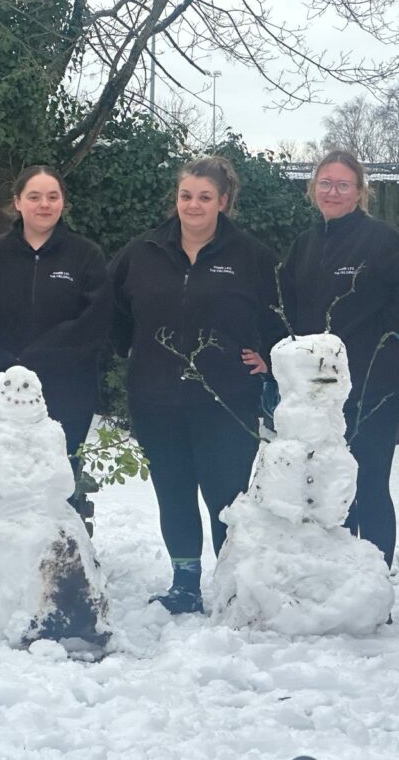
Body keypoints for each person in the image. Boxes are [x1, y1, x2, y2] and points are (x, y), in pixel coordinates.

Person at [110, 156, 279, 614]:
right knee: (174, 491)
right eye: (186, 195)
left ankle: (230, 584)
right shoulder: (142, 252)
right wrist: (133, 351)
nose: (193, 205)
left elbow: (282, 315)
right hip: (155, 399)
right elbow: (113, 311)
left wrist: (270, 357)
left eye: (205, 197)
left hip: (227, 400)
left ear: (223, 201)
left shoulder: (251, 256)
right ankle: (184, 584)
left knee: (227, 496)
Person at [282, 150, 399, 570]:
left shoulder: (379, 240)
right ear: (313, 189)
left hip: (373, 383)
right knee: (328, 484)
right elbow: (286, 306)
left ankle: (373, 579)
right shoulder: (306, 245)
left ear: (359, 192)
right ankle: (339, 578)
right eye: (325, 183)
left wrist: (390, 327)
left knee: (368, 483)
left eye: (343, 185)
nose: (333, 192)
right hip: (320, 391)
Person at [0, 166, 109, 517]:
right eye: (34, 196)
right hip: (2, 392)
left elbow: (93, 322)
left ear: (63, 203)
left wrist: (35, 360)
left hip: (67, 393)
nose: (44, 204)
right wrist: (6, 366)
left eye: (52, 196)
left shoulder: (86, 256)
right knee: (3, 487)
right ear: (17, 202)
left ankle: (57, 551)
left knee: (55, 491)